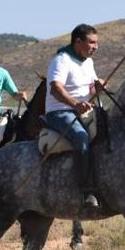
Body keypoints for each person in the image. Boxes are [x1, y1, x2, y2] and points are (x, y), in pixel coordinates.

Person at [45, 24, 105, 208]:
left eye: (97, 43)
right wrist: (75, 104)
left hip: (84, 110)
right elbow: (56, 89)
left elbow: (90, 90)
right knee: (81, 139)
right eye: (92, 43)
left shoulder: (88, 62)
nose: (96, 47)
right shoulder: (61, 60)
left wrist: (98, 88)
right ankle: (86, 191)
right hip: (60, 112)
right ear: (78, 42)